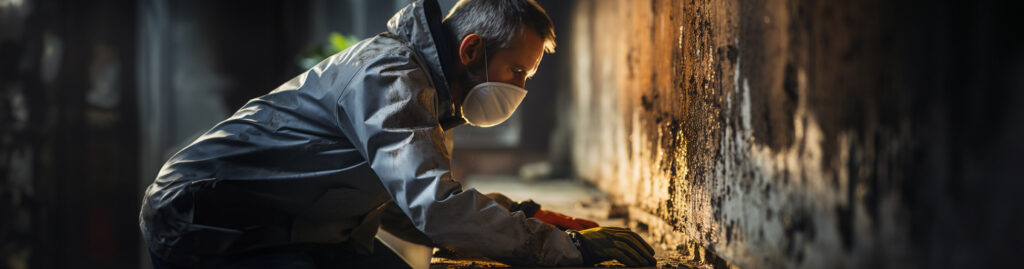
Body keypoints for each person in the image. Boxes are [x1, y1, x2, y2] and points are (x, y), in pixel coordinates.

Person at [139, 0, 656, 267]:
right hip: (210, 219)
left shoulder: (429, 89)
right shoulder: (393, 78)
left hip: (297, 219)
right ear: (472, 51)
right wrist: (572, 250)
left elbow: (399, 201)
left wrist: (511, 216)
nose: (519, 89)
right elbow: (434, 208)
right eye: (517, 73)